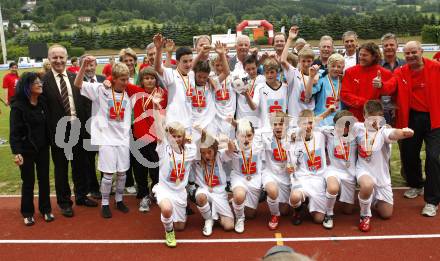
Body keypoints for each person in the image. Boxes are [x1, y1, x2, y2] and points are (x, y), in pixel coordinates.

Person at [381, 41, 440, 216]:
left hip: (434, 118)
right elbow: (390, 86)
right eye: (407, 53)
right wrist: (381, 86)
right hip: (411, 118)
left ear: (421, 51)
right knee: (409, 154)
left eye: (414, 52)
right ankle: (416, 184)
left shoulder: (436, 67)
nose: (411, 56)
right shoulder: (400, 72)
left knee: (433, 157)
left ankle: (432, 201)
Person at [75, 57, 134, 218]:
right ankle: (106, 203)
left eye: (127, 79)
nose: (125, 82)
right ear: (113, 79)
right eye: (122, 79)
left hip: (122, 139)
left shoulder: (129, 92)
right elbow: (78, 84)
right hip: (106, 139)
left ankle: (119, 200)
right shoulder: (101, 89)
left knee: (122, 173)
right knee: (108, 175)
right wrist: (83, 67)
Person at [42, 44, 97, 218]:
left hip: (78, 129)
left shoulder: (76, 77)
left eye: (61, 57)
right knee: (61, 169)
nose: (58, 60)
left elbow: (86, 104)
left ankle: (81, 196)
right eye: (54, 57)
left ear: (66, 58)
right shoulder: (43, 81)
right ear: (49, 59)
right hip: (58, 133)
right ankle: (64, 202)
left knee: (80, 166)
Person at [354, 100, 414, 232]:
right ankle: (364, 215)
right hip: (363, 171)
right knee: (367, 184)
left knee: (386, 214)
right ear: (364, 115)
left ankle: (373, 198)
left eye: (378, 118)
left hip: (382, 177)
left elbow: (393, 133)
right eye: (371, 118)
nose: (375, 122)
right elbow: (340, 128)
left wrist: (403, 132)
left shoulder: (383, 131)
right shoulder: (357, 128)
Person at [10, 72, 53, 226]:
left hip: (42, 148)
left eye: (40, 82)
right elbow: (14, 131)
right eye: (36, 83)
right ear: (27, 87)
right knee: (28, 182)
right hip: (26, 151)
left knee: (44, 180)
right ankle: (27, 213)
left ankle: (46, 209)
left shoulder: (42, 101)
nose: (40, 85)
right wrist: (16, 152)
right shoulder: (18, 106)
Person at [152, 103, 197, 247]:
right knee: (166, 209)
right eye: (173, 136)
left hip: (180, 192)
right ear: (169, 136)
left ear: (184, 137)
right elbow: (159, 129)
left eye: (179, 136)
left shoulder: (190, 151)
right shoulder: (163, 148)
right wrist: (155, 110)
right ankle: (169, 232)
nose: (176, 139)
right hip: (165, 189)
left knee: (181, 227)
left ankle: (178, 217)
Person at [132, 67, 168, 212]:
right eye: (146, 78)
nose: (149, 80)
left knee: (155, 168)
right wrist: (108, 81)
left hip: (156, 137)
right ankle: (143, 195)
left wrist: (157, 104)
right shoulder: (135, 92)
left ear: (156, 79)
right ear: (141, 80)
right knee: (140, 169)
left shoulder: (162, 93)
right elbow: (117, 78)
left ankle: (155, 192)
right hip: (140, 137)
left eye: (152, 78)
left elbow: (163, 113)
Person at [320, 110, 358, 229]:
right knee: (332, 188)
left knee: (348, 211)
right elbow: (311, 125)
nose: (344, 128)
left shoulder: (357, 134)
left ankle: (334, 196)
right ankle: (329, 213)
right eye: (340, 125)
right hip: (333, 170)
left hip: (349, 174)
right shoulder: (329, 132)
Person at [289, 110, 327, 226]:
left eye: (310, 123)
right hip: (302, 178)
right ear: (299, 124)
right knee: (295, 197)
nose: (308, 126)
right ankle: (297, 210)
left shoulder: (321, 135)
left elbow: (340, 128)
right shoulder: (294, 140)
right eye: (305, 123)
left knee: (318, 219)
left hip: (318, 179)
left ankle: (310, 202)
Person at [192, 130, 234, 236]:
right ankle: (209, 219)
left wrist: (227, 140)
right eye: (203, 152)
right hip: (204, 190)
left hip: (220, 193)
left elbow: (231, 149)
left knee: (229, 226)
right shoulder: (196, 158)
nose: (206, 155)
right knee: (200, 197)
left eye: (209, 152)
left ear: (215, 149)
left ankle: (215, 215)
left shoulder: (220, 156)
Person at [225, 119, 263, 233]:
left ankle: (236, 201)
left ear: (254, 134)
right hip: (239, 177)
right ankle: (240, 218)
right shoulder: (233, 145)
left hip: (254, 178)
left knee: (251, 214)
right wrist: (228, 148)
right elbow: (222, 154)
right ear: (237, 135)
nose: (246, 139)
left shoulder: (260, 142)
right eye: (242, 136)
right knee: (240, 195)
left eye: (249, 135)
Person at [340, 42, 393, 122]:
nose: (361, 57)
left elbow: (391, 94)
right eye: (360, 54)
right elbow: (344, 94)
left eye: (365, 55)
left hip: (377, 119)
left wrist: (382, 86)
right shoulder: (350, 72)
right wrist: (367, 104)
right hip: (355, 118)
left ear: (374, 57)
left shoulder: (385, 73)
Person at [79, 54, 106, 199]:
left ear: (96, 65)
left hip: (102, 128)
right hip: (85, 128)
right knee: (89, 160)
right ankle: (93, 188)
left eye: (92, 65)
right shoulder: (76, 81)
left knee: (104, 158)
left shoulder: (104, 80)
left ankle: (105, 185)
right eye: (86, 65)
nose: (89, 68)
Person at [261, 112, 294, 230]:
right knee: (272, 191)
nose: (278, 127)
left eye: (281, 124)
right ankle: (275, 215)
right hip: (270, 173)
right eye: (275, 124)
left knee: (286, 211)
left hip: (286, 176)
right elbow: (247, 130)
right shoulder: (265, 136)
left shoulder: (293, 137)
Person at [245, 58, 288, 131]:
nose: (269, 75)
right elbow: (254, 107)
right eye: (267, 72)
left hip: (281, 130)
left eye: (272, 72)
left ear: (277, 72)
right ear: (264, 73)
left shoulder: (285, 87)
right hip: (265, 130)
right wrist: (246, 95)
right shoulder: (260, 87)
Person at [308, 53, 345, 126]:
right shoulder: (321, 80)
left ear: (343, 68)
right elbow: (308, 95)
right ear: (328, 66)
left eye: (339, 66)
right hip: (321, 120)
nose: (335, 68)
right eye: (333, 66)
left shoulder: (344, 81)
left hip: (337, 121)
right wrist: (312, 77)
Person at [234, 55, 265, 129]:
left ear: (257, 67)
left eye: (253, 68)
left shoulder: (263, 80)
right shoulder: (239, 81)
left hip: (257, 120)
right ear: (244, 69)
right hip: (242, 119)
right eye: (248, 69)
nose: (251, 71)